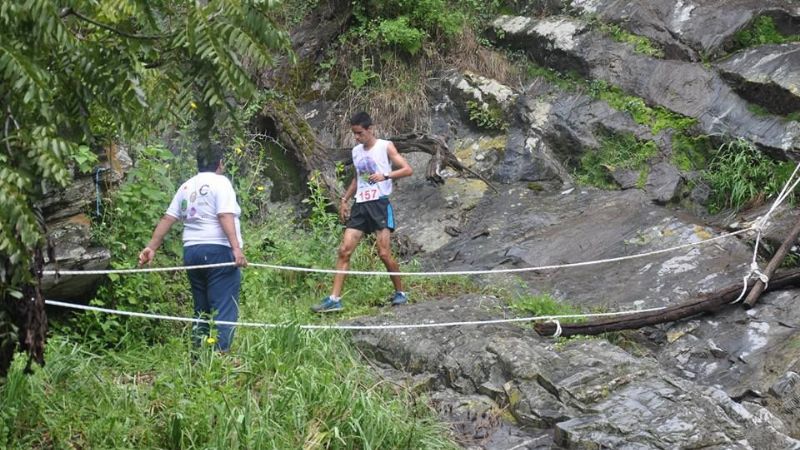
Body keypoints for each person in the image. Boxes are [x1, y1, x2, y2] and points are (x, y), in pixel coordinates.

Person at [138, 145, 247, 351]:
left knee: (201, 307)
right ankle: (220, 356)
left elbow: (168, 218)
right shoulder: (221, 182)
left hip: (192, 252)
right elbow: (224, 215)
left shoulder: (186, 186)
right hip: (218, 251)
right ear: (220, 164)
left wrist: (151, 247)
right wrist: (236, 249)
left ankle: (198, 355)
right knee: (224, 305)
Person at [312, 111, 413, 313]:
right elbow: (358, 178)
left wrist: (385, 175)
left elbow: (407, 169)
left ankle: (400, 292)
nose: (357, 137)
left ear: (370, 129)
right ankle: (334, 299)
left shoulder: (385, 146)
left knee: (383, 253)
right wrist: (344, 199)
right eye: (354, 134)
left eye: (360, 133)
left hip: (379, 204)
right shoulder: (356, 151)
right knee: (344, 250)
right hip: (360, 205)